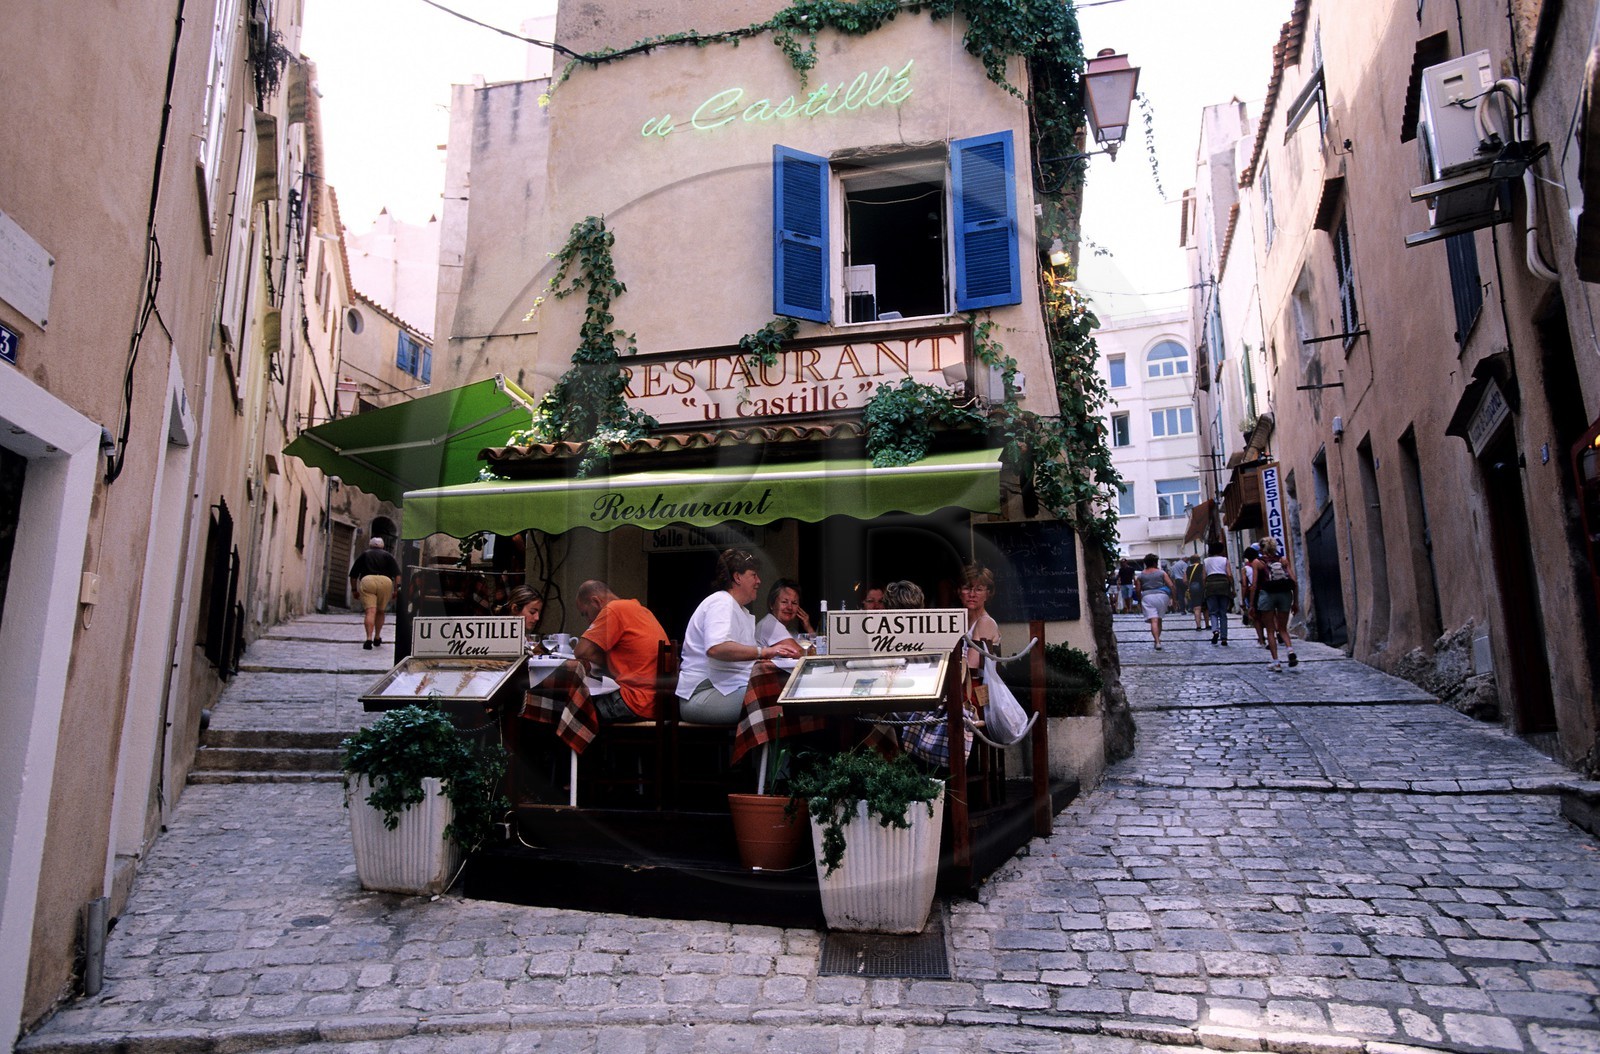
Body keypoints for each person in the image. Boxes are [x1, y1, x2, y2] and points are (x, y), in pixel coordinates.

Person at [676, 550, 803, 724]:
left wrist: (767, 656)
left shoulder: (739, 610)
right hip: (702, 694)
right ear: (737, 577)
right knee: (775, 701)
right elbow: (717, 648)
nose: (759, 581)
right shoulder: (721, 602)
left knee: (784, 695)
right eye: (754, 575)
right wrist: (764, 652)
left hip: (725, 688)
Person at [568, 580, 670, 721]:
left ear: (595, 602)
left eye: (585, 614)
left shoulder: (614, 609)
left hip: (633, 701)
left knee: (568, 708)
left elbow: (581, 651)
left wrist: (605, 659)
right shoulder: (640, 610)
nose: (588, 621)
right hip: (656, 702)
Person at [1250, 539, 1299, 672]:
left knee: (1270, 630)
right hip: (1285, 595)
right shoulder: (1283, 560)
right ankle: (1290, 650)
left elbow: (1254, 585)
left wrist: (1252, 604)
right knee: (1283, 629)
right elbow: (1294, 581)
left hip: (1267, 595)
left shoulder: (1257, 562)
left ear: (1261, 549)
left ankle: (1276, 662)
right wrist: (1295, 602)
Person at [348, 537, 401, 650]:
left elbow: (353, 575)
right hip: (385, 581)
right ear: (383, 546)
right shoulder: (388, 556)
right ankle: (377, 637)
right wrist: (396, 590)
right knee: (380, 611)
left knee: (370, 611)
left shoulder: (364, 555)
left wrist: (354, 590)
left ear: (370, 545)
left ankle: (368, 639)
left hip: (368, 580)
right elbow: (397, 575)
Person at [755, 578, 814, 649]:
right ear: (771, 604)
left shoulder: (791, 631)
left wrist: (808, 627)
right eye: (784, 602)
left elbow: (817, 650)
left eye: (794, 603)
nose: (790, 607)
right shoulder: (770, 624)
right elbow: (800, 652)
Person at [1133, 553, 1176, 650]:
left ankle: (1157, 641)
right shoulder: (1161, 573)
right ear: (1155, 562)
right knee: (1159, 619)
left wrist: (1139, 600)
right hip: (1162, 596)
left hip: (1147, 597)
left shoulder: (1141, 575)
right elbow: (1171, 586)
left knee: (1153, 620)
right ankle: (1158, 639)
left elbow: (1138, 590)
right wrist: (1174, 599)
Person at [1199, 541, 1234, 645]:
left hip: (1211, 585)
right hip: (1223, 585)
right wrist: (1232, 586)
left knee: (1213, 612)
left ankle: (1215, 630)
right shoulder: (1224, 560)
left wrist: (1205, 588)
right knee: (1223, 613)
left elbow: (1204, 577)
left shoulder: (1206, 561)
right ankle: (1224, 637)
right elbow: (1229, 575)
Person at [1239, 545, 1267, 647]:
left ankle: (1261, 640)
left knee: (1256, 618)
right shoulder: (1263, 563)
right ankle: (1274, 634)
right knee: (1267, 615)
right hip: (1266, 591)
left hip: (1255, 593)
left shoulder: (1245, 569)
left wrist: (1244, 600)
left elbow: (1244, 585)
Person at [1186, 557, 1210, 631]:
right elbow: (1204, 577)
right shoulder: (1202, 566)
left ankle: (1198, 626)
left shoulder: (1188, 568)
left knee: (1196, 607)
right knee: (1205, 607)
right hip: (1202, 587)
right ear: (1199, 560)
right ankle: (1207, 624)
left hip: (1193, 587)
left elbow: (1184, 580)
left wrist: (1189, 585)